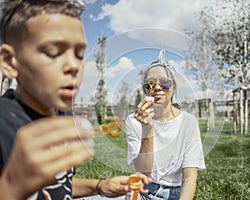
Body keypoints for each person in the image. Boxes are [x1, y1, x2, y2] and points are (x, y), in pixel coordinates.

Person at [0, 0, 151, 199]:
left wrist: (100, 186)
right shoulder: (3, 122)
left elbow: (60, 185)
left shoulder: (64, 116)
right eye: (53, 52)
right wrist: (12, 185)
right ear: (10, 62)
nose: (74, 65)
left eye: (79, 55)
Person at [126, 49, 206, 199]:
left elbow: (189, 178)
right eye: (150, 84)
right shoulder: (134, 121)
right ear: (145, 90)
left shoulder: (188, 122)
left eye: (164, 83)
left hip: (174, 194)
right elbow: (143, 173)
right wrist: (147, 130)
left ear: (174, 88)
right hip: (143, 189)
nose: (157, 88)